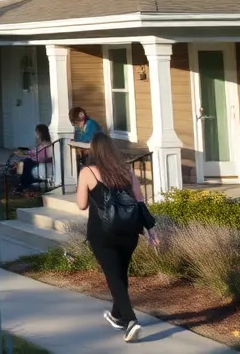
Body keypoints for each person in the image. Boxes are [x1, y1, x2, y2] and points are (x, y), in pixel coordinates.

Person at [76, 132, 154, 344]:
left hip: (102, 233)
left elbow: (82, 204)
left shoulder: (88, 172)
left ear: (94, 150)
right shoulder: (126, 171)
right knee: (119, 273)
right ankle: (117, 314)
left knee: (113, 276)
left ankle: (131, 320)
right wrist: (150, 229)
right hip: (129, 231)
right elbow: (139, 200)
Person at [14, 124, 53, 192]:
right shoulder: (40, 144)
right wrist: (21, 152)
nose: (35, 134)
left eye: (36, 132)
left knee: (26, 162)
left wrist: (42, 160)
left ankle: (23, 184)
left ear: (40, 133)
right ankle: (22, 184)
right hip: (35, 162)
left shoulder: (48, 145)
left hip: (40, 163)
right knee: (24, 162)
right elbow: (32, 153)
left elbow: (50, 157)